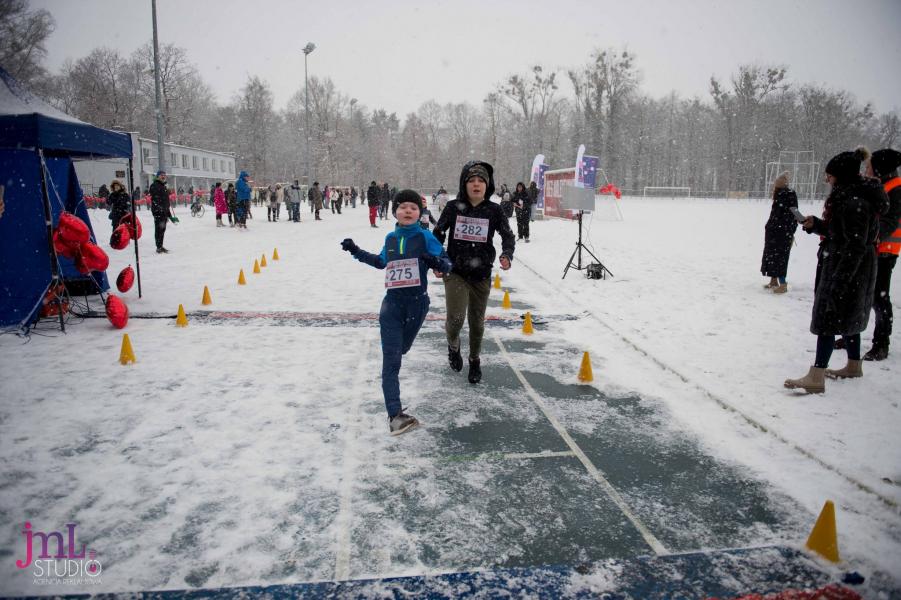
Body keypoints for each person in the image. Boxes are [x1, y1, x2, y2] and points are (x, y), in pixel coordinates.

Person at [340, 190, 452, 435]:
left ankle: (396, 396)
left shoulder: (425, 237)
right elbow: (381, 262)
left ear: (420, 212)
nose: (408, 211)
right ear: (395, 212)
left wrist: (435, 263)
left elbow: (447, 263)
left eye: (413, 207)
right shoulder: (391, 238)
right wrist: (355, 250)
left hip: (417, 305)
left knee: (401, 349)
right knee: (391, 361)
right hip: (391, 306)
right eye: (403, 207)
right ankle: (395, 415)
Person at [785, 147, 889, 393]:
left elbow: (854, 244)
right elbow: (844, 234)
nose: (827, 179)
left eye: (830, 175)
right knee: (850, 317)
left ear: (841, 176)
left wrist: (839, 281)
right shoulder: (853, 197)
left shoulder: (854, 203)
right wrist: (817, 225)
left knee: (829, 319)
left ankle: (816, 376)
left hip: (847, 268)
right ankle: (854, 365)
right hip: (852, 266)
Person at [433, 160, 515, 384]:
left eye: (481, 181)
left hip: (481, 274)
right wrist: (437, 260)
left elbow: (508, 236)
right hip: (456, 271)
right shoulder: (453, 207)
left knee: (477, 323)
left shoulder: (494, 210)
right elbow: (438, 234)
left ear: (488, 185)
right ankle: (453, 346)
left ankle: (475, 359)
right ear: (464, 184)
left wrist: (507, 254)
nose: (477, 185)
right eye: (472, 180)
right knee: (457, 319)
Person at [864, 148, 901, 360]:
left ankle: (881, 343)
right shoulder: (882, 186)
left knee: (879, 297)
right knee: (868, 295)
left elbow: (890, 220)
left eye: (869, 166)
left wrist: (874, 236)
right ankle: (853, 334)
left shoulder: (895, 189)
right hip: (875, 248)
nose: (867, 170)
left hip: (885, 251)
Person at [761, 171, 798, 293]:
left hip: (782, 233)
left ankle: (783, 284)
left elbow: (794, 214)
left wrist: (790, 230)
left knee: (780, 257)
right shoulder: (780, 196)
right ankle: (773, 281)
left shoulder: (788, 195)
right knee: (773, 256)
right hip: (775, 232)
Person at [149, 170, 172, 253]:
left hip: (164, 212)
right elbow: (155, 200)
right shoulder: (155, 185)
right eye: (161, 175)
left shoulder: (163, 186)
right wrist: (160, 209)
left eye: (164, 175)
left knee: (162, 229)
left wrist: (169, 214)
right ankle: (158, 247)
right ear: (157, 176)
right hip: (158, 212)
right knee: (159, 229)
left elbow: (166, 201)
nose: (163, 176)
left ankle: (160, 246)